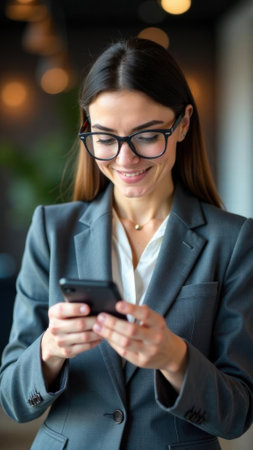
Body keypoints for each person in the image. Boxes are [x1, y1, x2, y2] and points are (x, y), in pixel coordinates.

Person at [0, 37, 253, 450]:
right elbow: (13, 400)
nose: (125, 159)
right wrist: (49, 349)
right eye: (105, 137)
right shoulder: (51, 229)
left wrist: (175, 358)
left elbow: (237, 415)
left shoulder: (233, 241)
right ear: (87, 129)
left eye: (147, 136)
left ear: (183, 124)